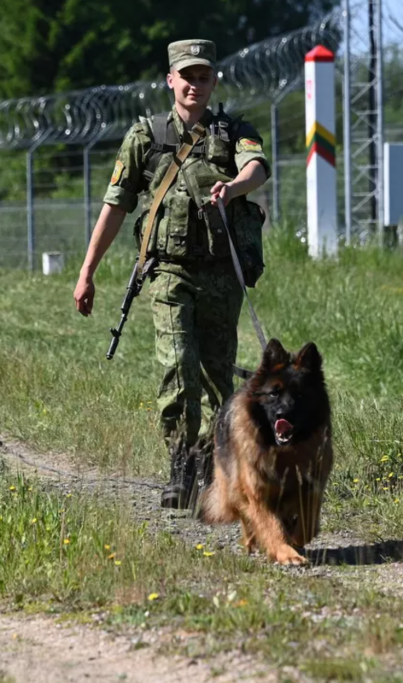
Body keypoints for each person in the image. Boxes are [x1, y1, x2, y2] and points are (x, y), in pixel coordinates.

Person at [74, 39, 270, 509]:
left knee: (218, 378)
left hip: (222, 275)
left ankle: (210, 464)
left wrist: (234, 187)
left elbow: (258, 168)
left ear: (213, 81)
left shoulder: (234, 131)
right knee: (177, 364)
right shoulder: (147, 137)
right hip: (167, 273)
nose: (194, 85)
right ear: (170, 80)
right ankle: (181, 465)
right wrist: (87, 272)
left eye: (203, 77)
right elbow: (115, 206)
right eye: (187, 76)